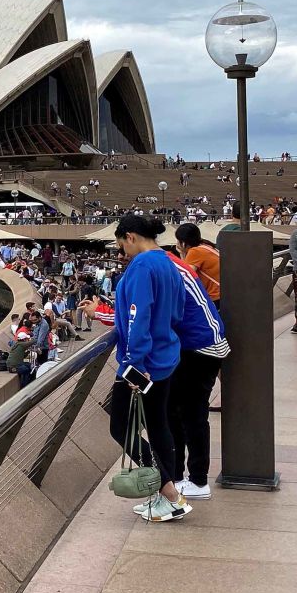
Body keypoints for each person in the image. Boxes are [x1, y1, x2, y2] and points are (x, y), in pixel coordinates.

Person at [110, 213, 191, 522]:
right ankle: (168, 493)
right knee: (158, 425)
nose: (123, 254)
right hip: (165, 355)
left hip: (143, 363)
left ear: (131, 237)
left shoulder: (142, 266)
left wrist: (133, 363)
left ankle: (167, 491)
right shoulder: (169, 263)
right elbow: (178, 310)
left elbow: (137, 316)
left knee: (121, 426)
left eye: (122, 246)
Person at [163, 251, 229, 501]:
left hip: (198, 349)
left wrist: (104, 314)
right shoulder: (174, 266)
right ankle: (179, 476)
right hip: (195, 347)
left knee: (191, 414)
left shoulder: (170, 270)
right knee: (177, 412)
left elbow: (154, 315)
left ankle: (199, 480)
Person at [173, 223, 220, 306]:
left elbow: (186, 276)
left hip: (214, 296)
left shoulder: (195, 251)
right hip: (221, 293)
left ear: (183, 243)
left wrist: (181, 253)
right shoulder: (206, 245)